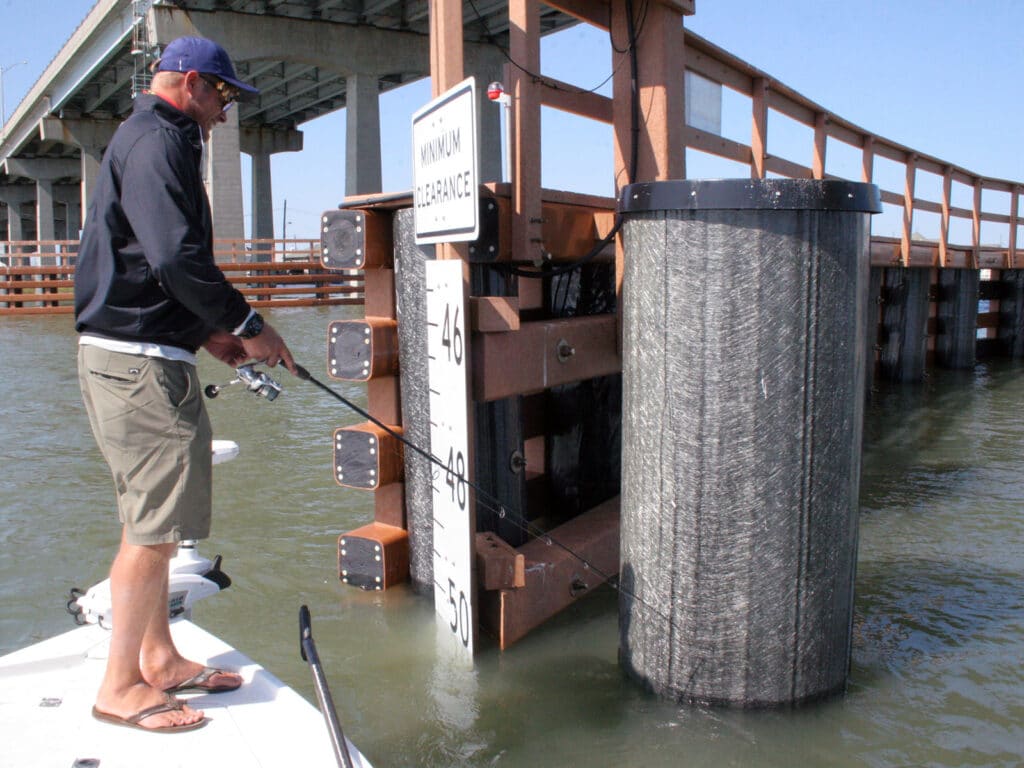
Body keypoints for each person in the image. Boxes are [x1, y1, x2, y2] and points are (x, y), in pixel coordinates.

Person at [74, 36, 296, 733]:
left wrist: (211, 336)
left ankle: (160, 658)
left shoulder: (151, 137)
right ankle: (119, 687)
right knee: (152, 530)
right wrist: (249, 321)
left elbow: (144, 262)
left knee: (154, 523)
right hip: (137, 364)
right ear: (193, 83)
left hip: (141, 351)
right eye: (223, 97)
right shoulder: (160, 138)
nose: (226, 114)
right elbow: (173, 254)